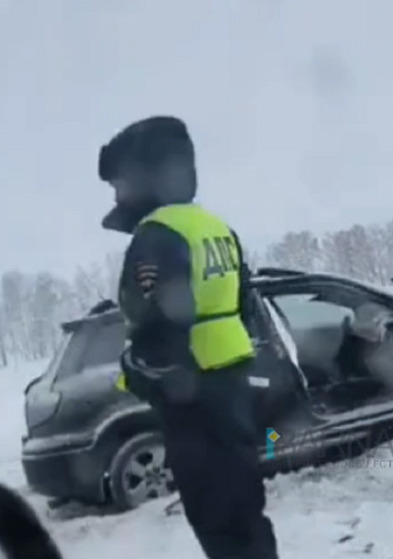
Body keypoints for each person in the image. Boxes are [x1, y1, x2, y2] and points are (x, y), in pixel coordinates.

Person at [98, 115, 279, 559]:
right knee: (246, 511)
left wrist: (140, 372)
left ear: (145, 177)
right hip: (231, 385)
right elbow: (242, 302)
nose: (117, 195)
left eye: (119, 183)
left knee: (214, 517)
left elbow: (158, 318)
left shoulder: (157, 234)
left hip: (190, 393)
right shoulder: (216, 227)